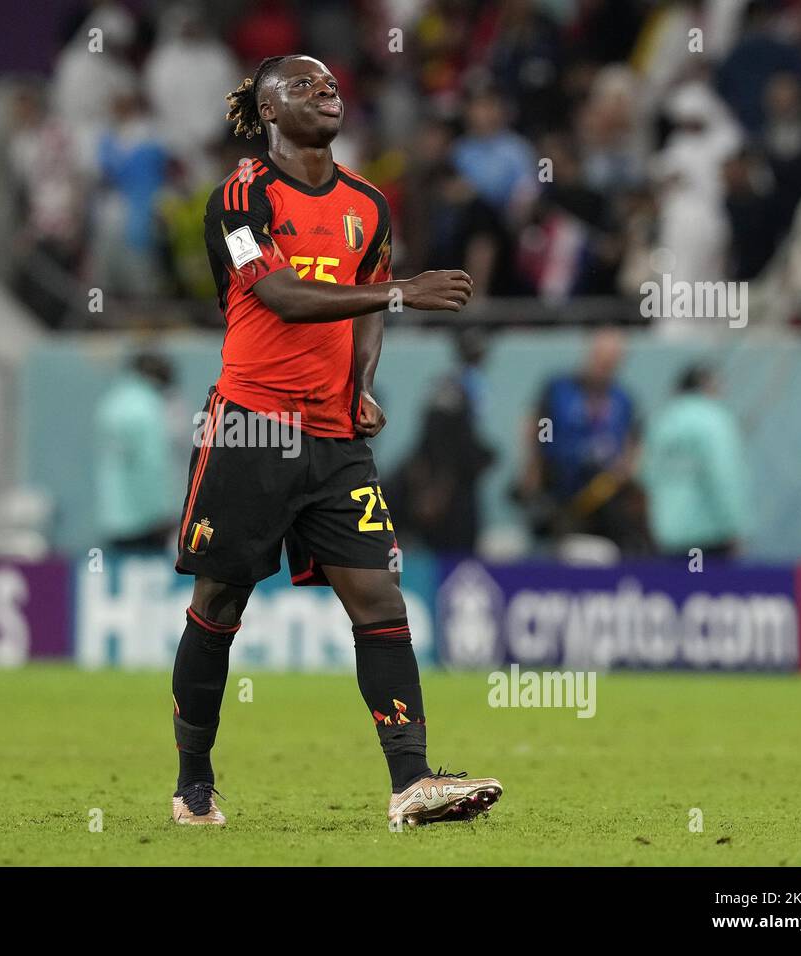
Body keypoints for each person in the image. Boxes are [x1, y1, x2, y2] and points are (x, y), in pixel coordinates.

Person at [168, 55, 501, 828]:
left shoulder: (368, 204)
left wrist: (361, 383)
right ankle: (193, 785)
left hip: (334, 436)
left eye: (331, 84)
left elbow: (367, 311)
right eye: (304, 85)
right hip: (251, 425)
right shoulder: (241, 196)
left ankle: (412, 782)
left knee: (379, 596)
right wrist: (400, 290)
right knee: (220, 600)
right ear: (267, 110)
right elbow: (279, 295)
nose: (326, 90)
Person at [515, 328, 649, 555]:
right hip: (559, 491)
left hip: (603, 495)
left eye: (612, 362)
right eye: (601, 359)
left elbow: (632, 441)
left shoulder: (622, 399)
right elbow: (534, 426)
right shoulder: (559, 389)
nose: (604, 367)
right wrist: (533, 471)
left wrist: (626, 469)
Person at [387, 329, 495, 554]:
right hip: (447, 488)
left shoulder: (472, 385)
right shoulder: (450, 389)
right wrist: (435, 488)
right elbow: (437, 443)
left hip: (459, 482)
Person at [641, 365, 749, 559]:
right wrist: (734, 525)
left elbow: (646, 474)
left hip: (667, 535)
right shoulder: (715, 420)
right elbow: (724, 475)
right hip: (707, 536)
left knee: (677, 587)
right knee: (702, 586)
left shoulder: (662, 421)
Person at [95, 352, 178, 550]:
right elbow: (152, 464)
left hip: (113, 513)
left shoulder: (111, 402)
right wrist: (161, 512)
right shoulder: (147, 407)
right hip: (145, 519)